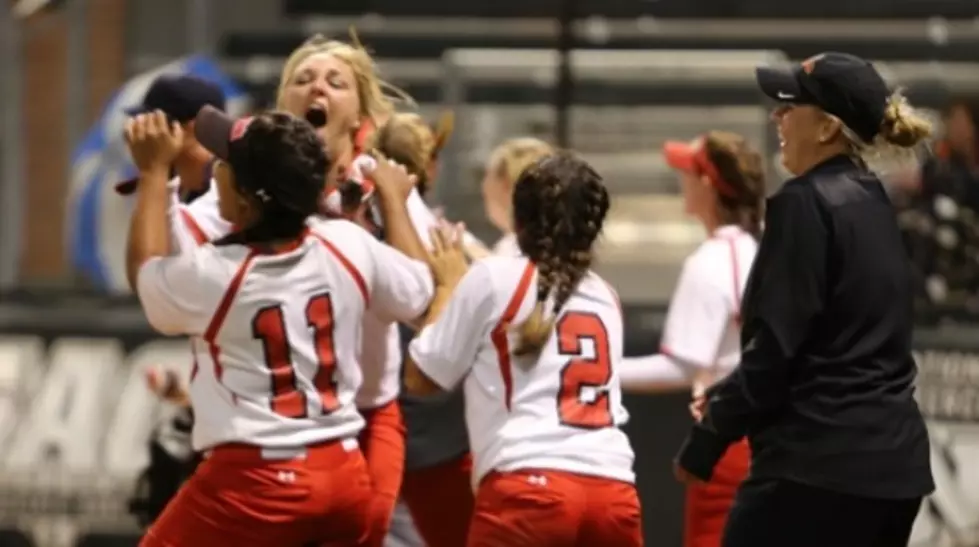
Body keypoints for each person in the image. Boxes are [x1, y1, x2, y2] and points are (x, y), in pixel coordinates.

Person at [125, 106, 433, 546]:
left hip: (256, 482)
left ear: (248, 200)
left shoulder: (218, 274)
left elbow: (144, 272)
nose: (217, 169)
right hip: (343, 475)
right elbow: (419, 289)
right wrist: (395, 203)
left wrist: (154, 174)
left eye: (226, 165)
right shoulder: (346, 243)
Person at [675, 52, 935, 547]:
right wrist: (729, 393)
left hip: (816, 470)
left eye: (790, 106)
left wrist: (710, 435)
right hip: (893, 470)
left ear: (826, 130)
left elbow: (776, 347)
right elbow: (836, 342)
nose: (777, 115)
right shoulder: (876, 203)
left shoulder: (805, 203)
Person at [403, 152, 643, 546]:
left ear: (519, 217)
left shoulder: (494, 277)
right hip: (614, 494)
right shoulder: (606, 296)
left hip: (529, 489)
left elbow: (422, 378)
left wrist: (447, 286)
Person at [617, 131, 765, 547]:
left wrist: (600, 370)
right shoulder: (765, 244)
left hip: (729, 439)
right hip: (770, 433)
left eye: (688, 171)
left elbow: (682, 366)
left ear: (707, 183)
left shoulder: (713, 259)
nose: (680, 180)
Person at [115, 74, 225, 202]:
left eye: (156, 124)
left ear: (195, 129)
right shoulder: (177, 177)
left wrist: (154, 171)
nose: (147, 132)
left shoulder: (224, 189)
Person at [480, 137, 555, 256]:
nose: (483, 186)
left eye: (487, 175)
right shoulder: (559, 246)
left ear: (505, 184)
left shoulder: (516, 249)